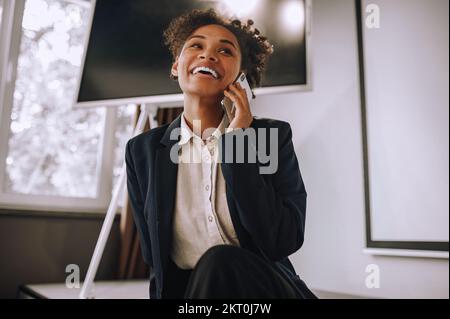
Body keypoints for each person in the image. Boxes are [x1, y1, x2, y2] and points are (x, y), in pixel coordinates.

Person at [125, 8, 316, 299]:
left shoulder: (272, 137)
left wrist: (237, 143)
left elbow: (281, 241)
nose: (208, 55)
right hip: (197, 297)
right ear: (176, 65)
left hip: (266, 292)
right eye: (196, 45)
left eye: (225, 51)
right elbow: (156, 257)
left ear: (241, 78)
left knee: (220, 260)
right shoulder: (142, 152)